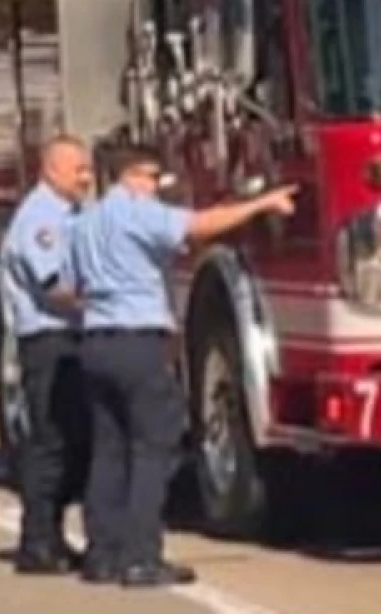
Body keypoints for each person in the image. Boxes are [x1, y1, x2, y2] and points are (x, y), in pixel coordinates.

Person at [69, 144, 297, 588]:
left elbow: (71, 284)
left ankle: (102, 553)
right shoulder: (136, 212)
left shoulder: (86, 221)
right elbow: (199, 226)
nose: (157, 186)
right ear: (131, 176)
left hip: (96, 339)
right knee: (153, 449)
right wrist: (261, 204)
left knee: (108, 450)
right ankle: (141, 556)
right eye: (153, 177)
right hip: (137, 339)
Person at [2, 135, 95, 575]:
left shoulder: (71, 214)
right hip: (48, 341)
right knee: (50, 442)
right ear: (52, 170)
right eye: (79, 170)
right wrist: (109, 304)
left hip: (70, 339)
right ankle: (37, 541)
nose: (87, 178)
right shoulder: (40, 218)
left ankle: (53, 537)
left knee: (75, 440)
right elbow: (55, 287)